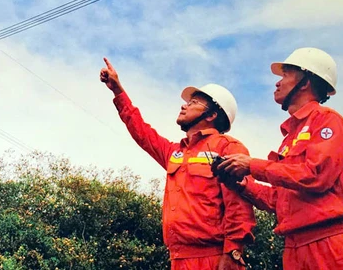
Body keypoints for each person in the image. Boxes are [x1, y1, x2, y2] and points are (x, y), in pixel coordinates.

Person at [214, 47, 343, 269]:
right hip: (294, 247)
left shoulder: (328, 121)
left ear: (305, 81)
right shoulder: (291, 137)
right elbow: (278, 200)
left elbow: (316, 176)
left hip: (331, 243)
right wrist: (242, 185)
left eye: (285, 74)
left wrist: (251, 165)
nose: (278, 82)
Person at [100, 57, 255, 270]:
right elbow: (142, 132)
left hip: (214, 258)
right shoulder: (175, 152)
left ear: (212, 114)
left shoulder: (228, 148)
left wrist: (233, 252)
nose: (184, 105)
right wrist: (118, 92)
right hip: (178, 260)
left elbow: (239, 204)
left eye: (193, 103)